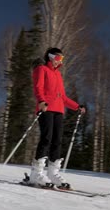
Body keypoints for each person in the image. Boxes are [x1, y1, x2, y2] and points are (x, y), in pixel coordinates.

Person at [29, 47, 86, 188]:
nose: (60, 61)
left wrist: (76, 106)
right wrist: (41, 101)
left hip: (59, 111)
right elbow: (38, 87)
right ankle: (36, 173)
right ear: (50, 57)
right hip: (46, 108)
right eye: (58, 58)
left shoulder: (58, 75)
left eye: (62, 59)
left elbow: (63, 97)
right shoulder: (41, 69)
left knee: (57, 141)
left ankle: (53, 173)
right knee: (46, 138)